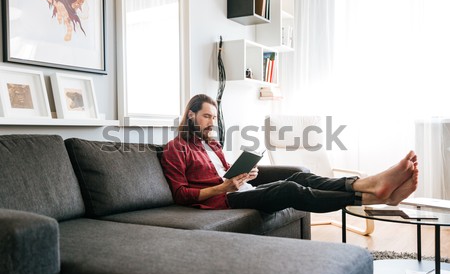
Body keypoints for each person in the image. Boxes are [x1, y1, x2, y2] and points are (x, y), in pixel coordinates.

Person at [160, 94, 419, 213]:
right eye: (207, 116)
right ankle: (373, 196)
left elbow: (228, 175)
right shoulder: (175, 148)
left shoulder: (213, 146)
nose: (212, 122)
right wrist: (224, 188)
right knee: (289, 189)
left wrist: (246, 174)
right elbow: (181, 195)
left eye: (214, 117)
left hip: (239, 191)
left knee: (299, 176)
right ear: (191, 115)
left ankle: (370, 185)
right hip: (223, 201)